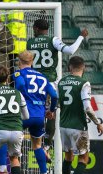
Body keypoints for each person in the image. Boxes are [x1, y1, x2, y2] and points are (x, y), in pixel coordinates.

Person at [0, 51, 58, 174]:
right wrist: (51, 110)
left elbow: (20, 85)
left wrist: (15, 97)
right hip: (39, 117)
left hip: (22, 115)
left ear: (18, 61)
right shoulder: (42, 77)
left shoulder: (18, 74)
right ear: (32, 61)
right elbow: (54, 95)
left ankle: (3, 169)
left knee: (3, 139)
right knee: (37, 145)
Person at [26, 19, 88, 155]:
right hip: (50, 83)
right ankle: (47, 146)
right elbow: (71, 50)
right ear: (47, 29)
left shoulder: (29, 43)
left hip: (34, 84)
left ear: (36, 29)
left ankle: (35, 143)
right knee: (51, 114)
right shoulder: (53, 40)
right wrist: (81, 37)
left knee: (35, 113)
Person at [58, 56, 103, 174]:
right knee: (84, 157)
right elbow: (88, 108)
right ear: (83, 68)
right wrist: (97, 122)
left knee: (68, 156)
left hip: (63, 125)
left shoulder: (61, 82)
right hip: (78, 126)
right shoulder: (84, 83)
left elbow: (56, 102)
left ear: (69, 67)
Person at [0, 0, 27, 74]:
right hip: (12, 46)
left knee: (13, 73)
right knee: (11, 73)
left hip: (14, 46)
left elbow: (15, 24)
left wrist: (9, 40)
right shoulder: (6, 4)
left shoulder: (12, 3)